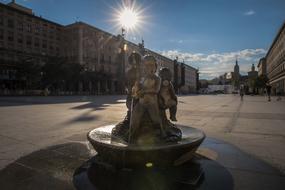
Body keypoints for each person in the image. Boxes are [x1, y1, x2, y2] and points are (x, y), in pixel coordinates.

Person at [129, 55, 165, 142]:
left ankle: (161, 135)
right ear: (143, 67)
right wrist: (135, 91)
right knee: (134, 117)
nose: (149, 67)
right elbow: (135, 89)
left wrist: (144, 91)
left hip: (152, 102)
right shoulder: (141, 78)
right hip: (141, 102)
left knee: (155, 118)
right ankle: (133, 134)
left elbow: (156, 90)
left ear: (155, 67)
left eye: (151, 65)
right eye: (146, 65)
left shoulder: (157, 78)